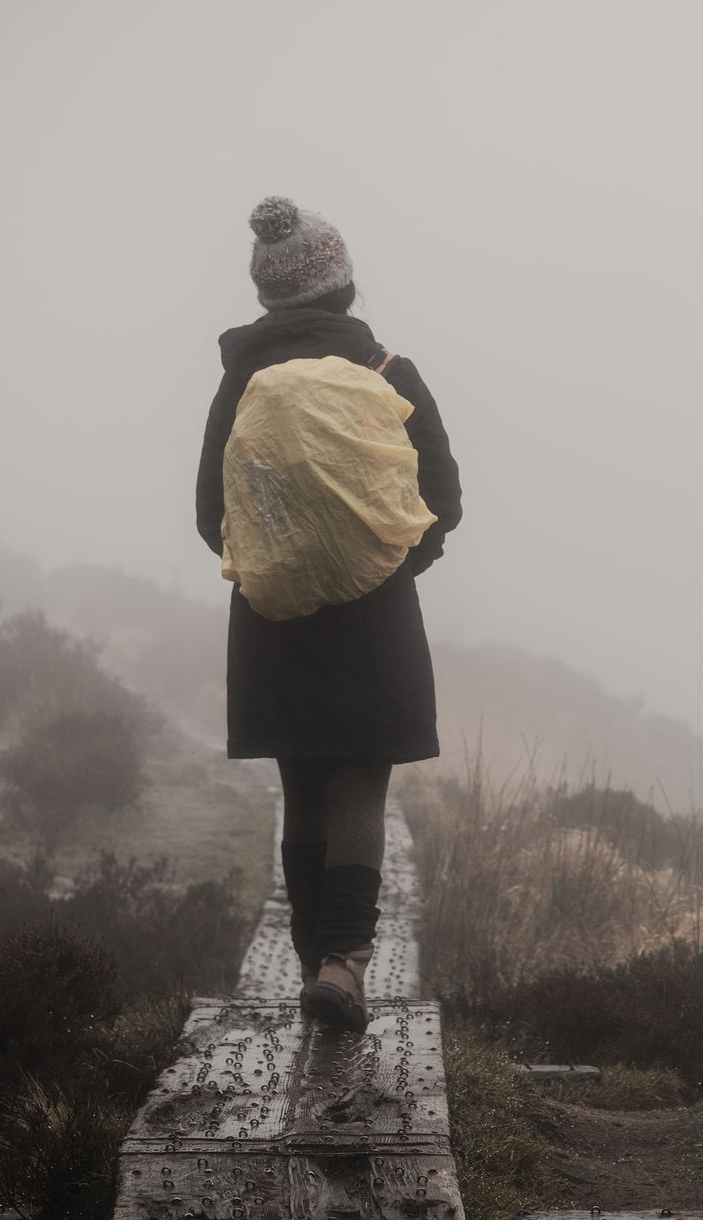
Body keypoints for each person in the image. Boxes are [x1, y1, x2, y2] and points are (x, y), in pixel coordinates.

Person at [195, 196, 462, 1032]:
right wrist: (385, 563)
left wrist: (279, 562)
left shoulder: (241, 382)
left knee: (302, 789)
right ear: (343, 287)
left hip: (271, 621)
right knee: (358, 787)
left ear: (268, 298)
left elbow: (212, 515)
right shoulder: (388, 372)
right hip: (373, 623)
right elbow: (442, 500)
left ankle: (314, 961)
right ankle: (345, 968)